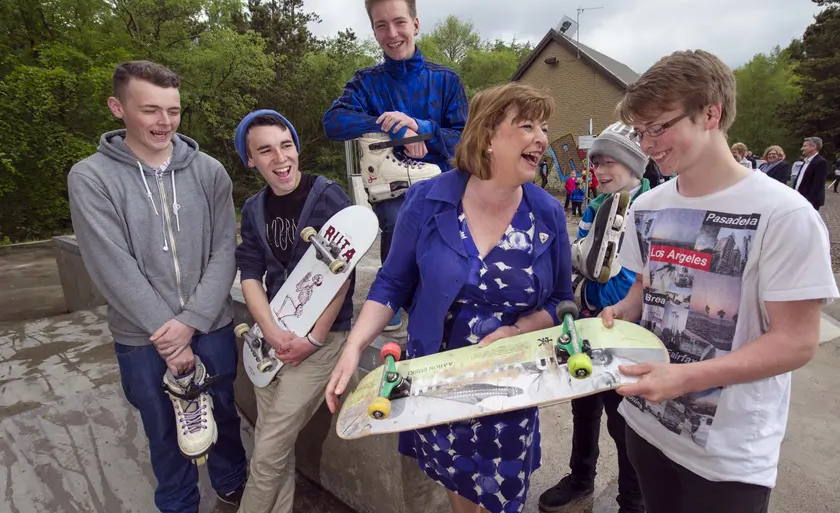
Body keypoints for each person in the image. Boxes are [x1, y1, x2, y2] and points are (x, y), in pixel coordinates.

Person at [601, 49, 840, 513]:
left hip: (727, 455)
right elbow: (641, 293)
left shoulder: (785, 214)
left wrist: (685, 377)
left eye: (660, 127)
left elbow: (796, 342)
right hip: (646, 427)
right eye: (640, 131)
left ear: (710, 113)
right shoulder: (647, 207)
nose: (647, 145)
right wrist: (619, 313)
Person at [325, 82, 573, 513]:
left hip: (510, 384)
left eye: (545, 128)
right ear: (488, 136)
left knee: (502, 494)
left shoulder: (547, 213)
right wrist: (353, 345)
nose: (542, 138)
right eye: (527, 125)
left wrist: (517, 328)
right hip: (437, 379)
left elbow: (561, 302)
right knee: (456, 485)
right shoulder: (427, 199)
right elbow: (391, 283)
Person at [67, 60, 247, 512]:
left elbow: (226, 249)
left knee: (223, 412)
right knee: (163, 428)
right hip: (142, 338)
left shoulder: (209, 172)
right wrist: (170, 335)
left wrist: (192, 322)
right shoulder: (90, 178)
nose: (164, 122)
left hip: (213, 326)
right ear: (117, 108)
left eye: (173, 110)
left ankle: (232, 483)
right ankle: (179, 502)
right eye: (150, 110)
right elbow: (111, 264)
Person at [322, 0, 468, 331]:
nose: (392, 33)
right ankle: (395, 300)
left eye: (400, 22)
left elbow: (464, 138)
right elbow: (333, 123)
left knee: (445, 240)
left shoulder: (445, 80)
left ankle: (446, 303)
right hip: (391, 191)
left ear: (415, 24)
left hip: (444, 189)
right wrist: (392, 128)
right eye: (381, 25)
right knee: (398, 216)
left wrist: (421, 127)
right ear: (373, 31)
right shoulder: (366, 82)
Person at [231, 110, 355, 512]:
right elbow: (249, 273)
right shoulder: (253, 209)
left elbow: (343, 274)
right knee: (274, 448)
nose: (279, 158)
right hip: (270, 341)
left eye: (286, 146)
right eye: (264, 150)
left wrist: (313, 338)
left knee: (266, 452)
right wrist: (268, 330)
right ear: (250, 159)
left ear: (297, 148)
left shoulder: (327, 195)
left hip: (323, 341)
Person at [539, 121, 650, 513]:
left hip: (624, 332)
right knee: (583, 409)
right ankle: (581, 478)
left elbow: (623, 283)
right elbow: (583, 262)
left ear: (634, 166)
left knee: (624, 425)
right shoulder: (595, 205)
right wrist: (583, 276)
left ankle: (631, 501)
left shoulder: (646, 209)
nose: (599, 171)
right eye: (596, 163)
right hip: (587, 325)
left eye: (609, 164)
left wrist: (584, 279)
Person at [794, 136, 829, 210]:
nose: (802, 148)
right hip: (800, 198)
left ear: (813, 147)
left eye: (804, 146)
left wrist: (809, 201)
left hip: (809, 201)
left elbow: (818, 184)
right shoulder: (806, 161)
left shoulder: (821, 162)